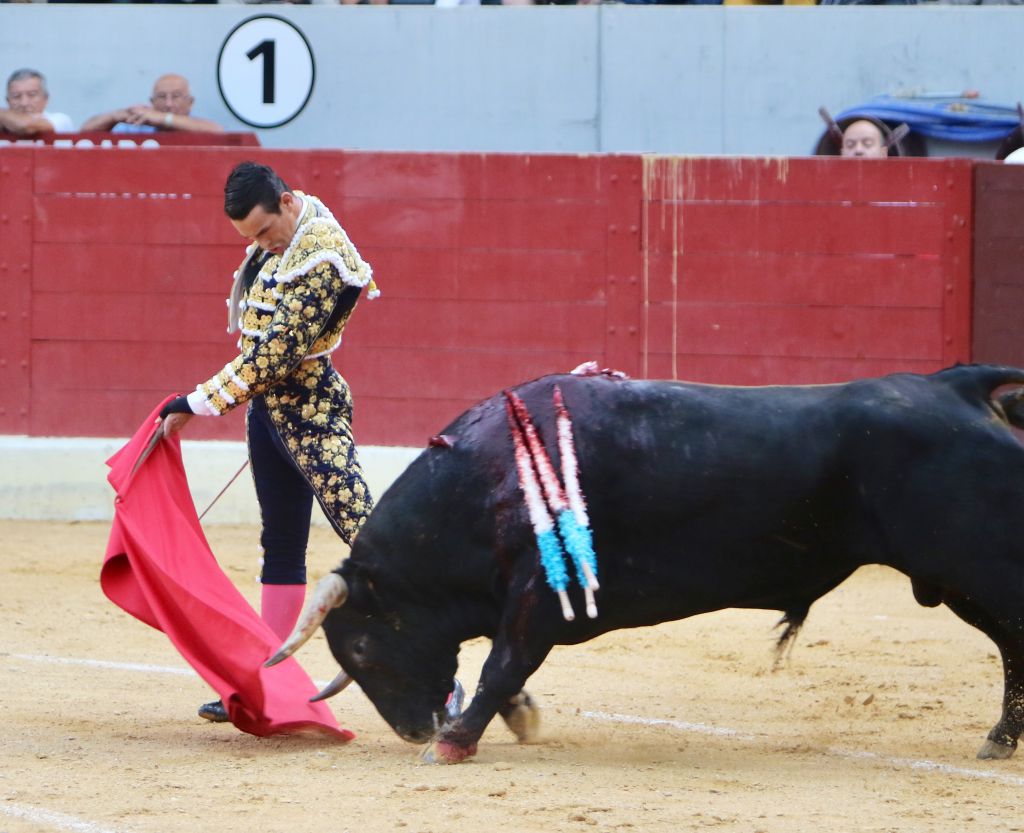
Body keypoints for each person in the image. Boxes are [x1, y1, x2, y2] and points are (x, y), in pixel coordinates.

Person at [157, 161, 378, 723]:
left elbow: (275, 356)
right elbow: (261, 354)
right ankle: (267, 685)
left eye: (261, 232)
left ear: (285, 201)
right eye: (247, 238)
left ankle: (444, 683)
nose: (258, 246)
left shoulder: (322, 253)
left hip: (313, 411)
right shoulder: (286, 233)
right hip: (268, 412)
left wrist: (196, 402)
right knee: (280, 544)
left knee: (373, 541)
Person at [80, 73, 223, 134]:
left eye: (176, 96)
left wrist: (163, 119)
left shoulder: (198, 126)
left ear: (190, 102)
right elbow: (85, 131)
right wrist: (115, 116)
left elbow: (218, 132)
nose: (168, 104)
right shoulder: (139, 126)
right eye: (161, 97)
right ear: (152, 102)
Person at [0, 68, 74, 136]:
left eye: (32, 95)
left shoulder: (60, 120)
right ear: (8, 101)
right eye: (16, 96)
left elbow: (25, 126)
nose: (24, 103)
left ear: (45, 99)